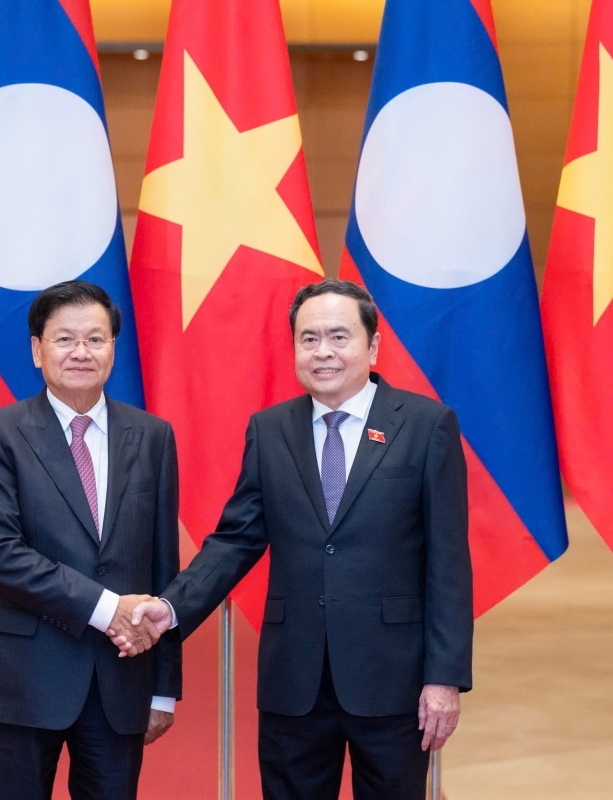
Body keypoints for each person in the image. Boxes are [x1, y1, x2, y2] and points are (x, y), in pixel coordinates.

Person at [121, 279, 472, 799]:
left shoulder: (425, 426)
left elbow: (449, 563)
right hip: (294, 679)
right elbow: (235, 540)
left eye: (338, 336)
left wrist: (444, 678)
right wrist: (171, 608)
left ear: (372, 346)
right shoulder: (270, 430)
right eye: (308, 339)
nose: (323, 351)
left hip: (392, 678)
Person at [0, 280, 181, 800]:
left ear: (113, 348)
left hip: (121, 681)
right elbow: (3, 556)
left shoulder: (153, 436)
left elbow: (162, 566)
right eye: (64, 339)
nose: (81, 352)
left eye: (96, 339)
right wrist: (109, 609)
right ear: (38, 350)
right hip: (22, 678)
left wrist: (164, 689)